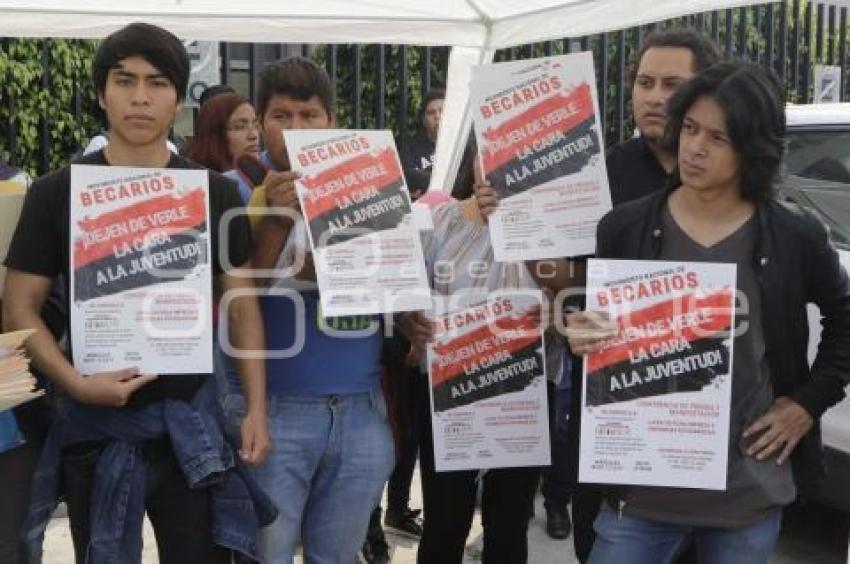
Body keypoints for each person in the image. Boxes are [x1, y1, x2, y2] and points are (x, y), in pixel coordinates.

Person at [3, 23, 272, 563]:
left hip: (190, 426)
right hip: (92, 428)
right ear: (103, 93)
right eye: (124, 81)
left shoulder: (213, 192)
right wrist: (75, 383)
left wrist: (257, 408)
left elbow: (242, 306)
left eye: (157, 82)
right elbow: (19, 306)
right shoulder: (58, 191)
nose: (141, 97)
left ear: (178, 98)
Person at [567, 61, 850, 564]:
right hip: (639, 495)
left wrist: (806, 403)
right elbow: (587, 319)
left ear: (752, 149)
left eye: (717, 138)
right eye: (691, 129)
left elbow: (846, 319)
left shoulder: (793, 235)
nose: (694, 148)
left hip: (745, 497)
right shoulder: (624, 228)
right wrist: (580, 332)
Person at [222, 56, 396, 563]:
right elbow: (237, 295)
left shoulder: (374, 187)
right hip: (274, 410)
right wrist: (276, 217)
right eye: (281, 116)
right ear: (260, 122)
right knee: (265, 554)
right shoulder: (233, 191)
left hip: (361, 408)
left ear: (331, 121)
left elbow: (396, 284)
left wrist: (413, 318)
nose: (296, 129)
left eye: (309, 115)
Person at [403, 154, 568, 564]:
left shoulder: (555, 225)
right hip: (449, 389)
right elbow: (402, 297)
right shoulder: (436, 220)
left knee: (510, 523)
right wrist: (410, 323)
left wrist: (521, 227)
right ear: (474, 161)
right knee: (444, 522)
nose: (500, 167)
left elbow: (569, 296)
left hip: (525, 389)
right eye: (489, 153)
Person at [183, 91, 261, 173]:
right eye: (240, 127)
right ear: (215, 135)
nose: (254, 135)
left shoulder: (266, 178)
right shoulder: (194, 180)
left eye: (256, 126)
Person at [399, 89, 445, 199]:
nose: (437, 116)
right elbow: (407, 176)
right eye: (431, 113)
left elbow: (462, 182)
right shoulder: (411, 147)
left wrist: (423, 178)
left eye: (442, 110)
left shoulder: (463, 146)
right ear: (424, 120)